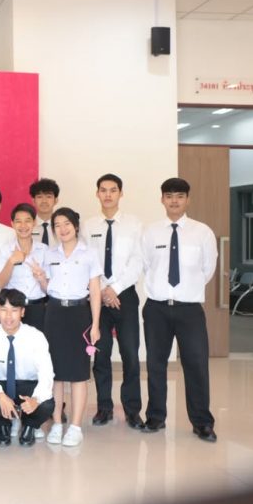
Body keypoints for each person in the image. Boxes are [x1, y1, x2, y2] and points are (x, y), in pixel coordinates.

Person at [141, 178, 218, 442]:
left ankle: (202, 422)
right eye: (169, 196)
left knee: (196, 365)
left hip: (189, 310)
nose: (174, 201)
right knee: (155, 364)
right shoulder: (151, 232)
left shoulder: (202, 232)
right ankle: (155, 417)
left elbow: (208, 269)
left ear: (188, 199)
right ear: (162, 199)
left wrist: (187, 290)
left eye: (180, 196)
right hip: (157, 309)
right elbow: (145, 266)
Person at [32, 207, 102, 447]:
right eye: (57, 225)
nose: (62, 229)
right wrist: (41, 279)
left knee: (79, 373)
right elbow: (47, 288)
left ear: (76, 226)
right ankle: (57, 423)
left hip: (79, 314)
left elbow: (95, 291)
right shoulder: (50, 253)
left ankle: (75, 426)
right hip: (54, 313)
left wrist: (95, 324)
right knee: (55, 373)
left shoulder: (89, 253)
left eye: (66, 224)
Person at [82, 174, 144, 430]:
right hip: (97, 297)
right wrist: (102, 290)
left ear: (121, 193)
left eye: (113, 190)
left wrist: (115, 289)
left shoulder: (134, 224)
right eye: (103, 190)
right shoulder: (88, 226)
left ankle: (132, 410)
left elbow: (137, 261)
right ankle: (104, 407)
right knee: (101, 354)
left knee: (130, 354)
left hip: (125, 295)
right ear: (97, 193)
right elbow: (85, 261)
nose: (108, 194)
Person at [0, 289, 55, 446]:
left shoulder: (36, 336)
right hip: (2, 384)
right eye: (3, 310)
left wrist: (36, 399)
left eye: (14, 310)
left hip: (28, 385)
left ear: (22, 312)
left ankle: (30, 425)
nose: (8, 316)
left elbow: (46, 373)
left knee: (47, 403)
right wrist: (0, 395)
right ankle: (3, 425)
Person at [0, 203, 49, 333]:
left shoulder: (44, 250)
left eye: (27, 221)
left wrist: (41, 279)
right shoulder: (5, 250)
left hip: (37, 308)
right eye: (18, 221)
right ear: (12, 224)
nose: (23, 225)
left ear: (34, 223)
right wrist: (11, 261)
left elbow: (49, 289)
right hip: (13, 310)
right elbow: (0, 283)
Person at [29, 178, 60, 248]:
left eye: (48, 197)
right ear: (33, 201)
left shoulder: (63, 227)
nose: (44, 201)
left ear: (56, 200)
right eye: (39, 197)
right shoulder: (27, 227)